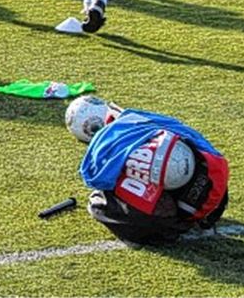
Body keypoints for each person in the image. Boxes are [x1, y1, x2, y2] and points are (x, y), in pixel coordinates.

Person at [76, 98, 229, 247]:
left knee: (99, 202)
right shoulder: (135, 120)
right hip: (205, 196)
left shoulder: (103, 152)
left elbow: (96, 180)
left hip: (174, 211)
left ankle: (159, 224)